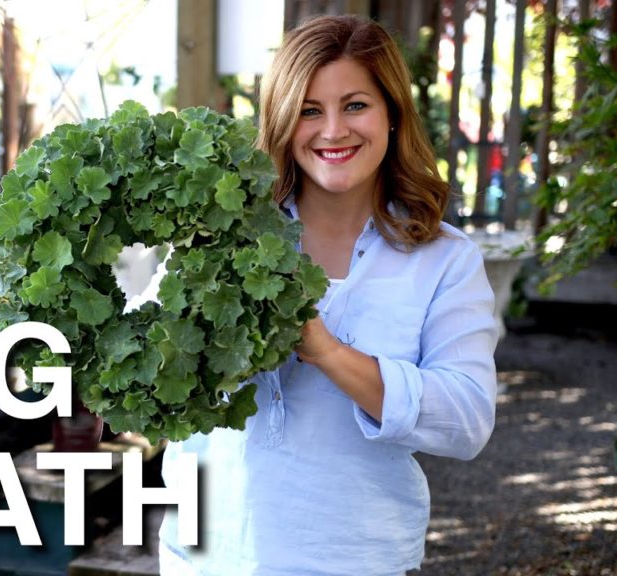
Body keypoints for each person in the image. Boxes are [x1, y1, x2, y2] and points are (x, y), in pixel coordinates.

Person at [158, 15, 499, 575]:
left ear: (392, 114)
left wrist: (329, 354)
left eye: (356, 105)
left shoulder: (444, 259)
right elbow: (151, 375)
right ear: (284, 122)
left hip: (354, 557)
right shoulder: (218, 236)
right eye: (310, 111)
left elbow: (465, 420)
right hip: (205, 554)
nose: (334, 130)